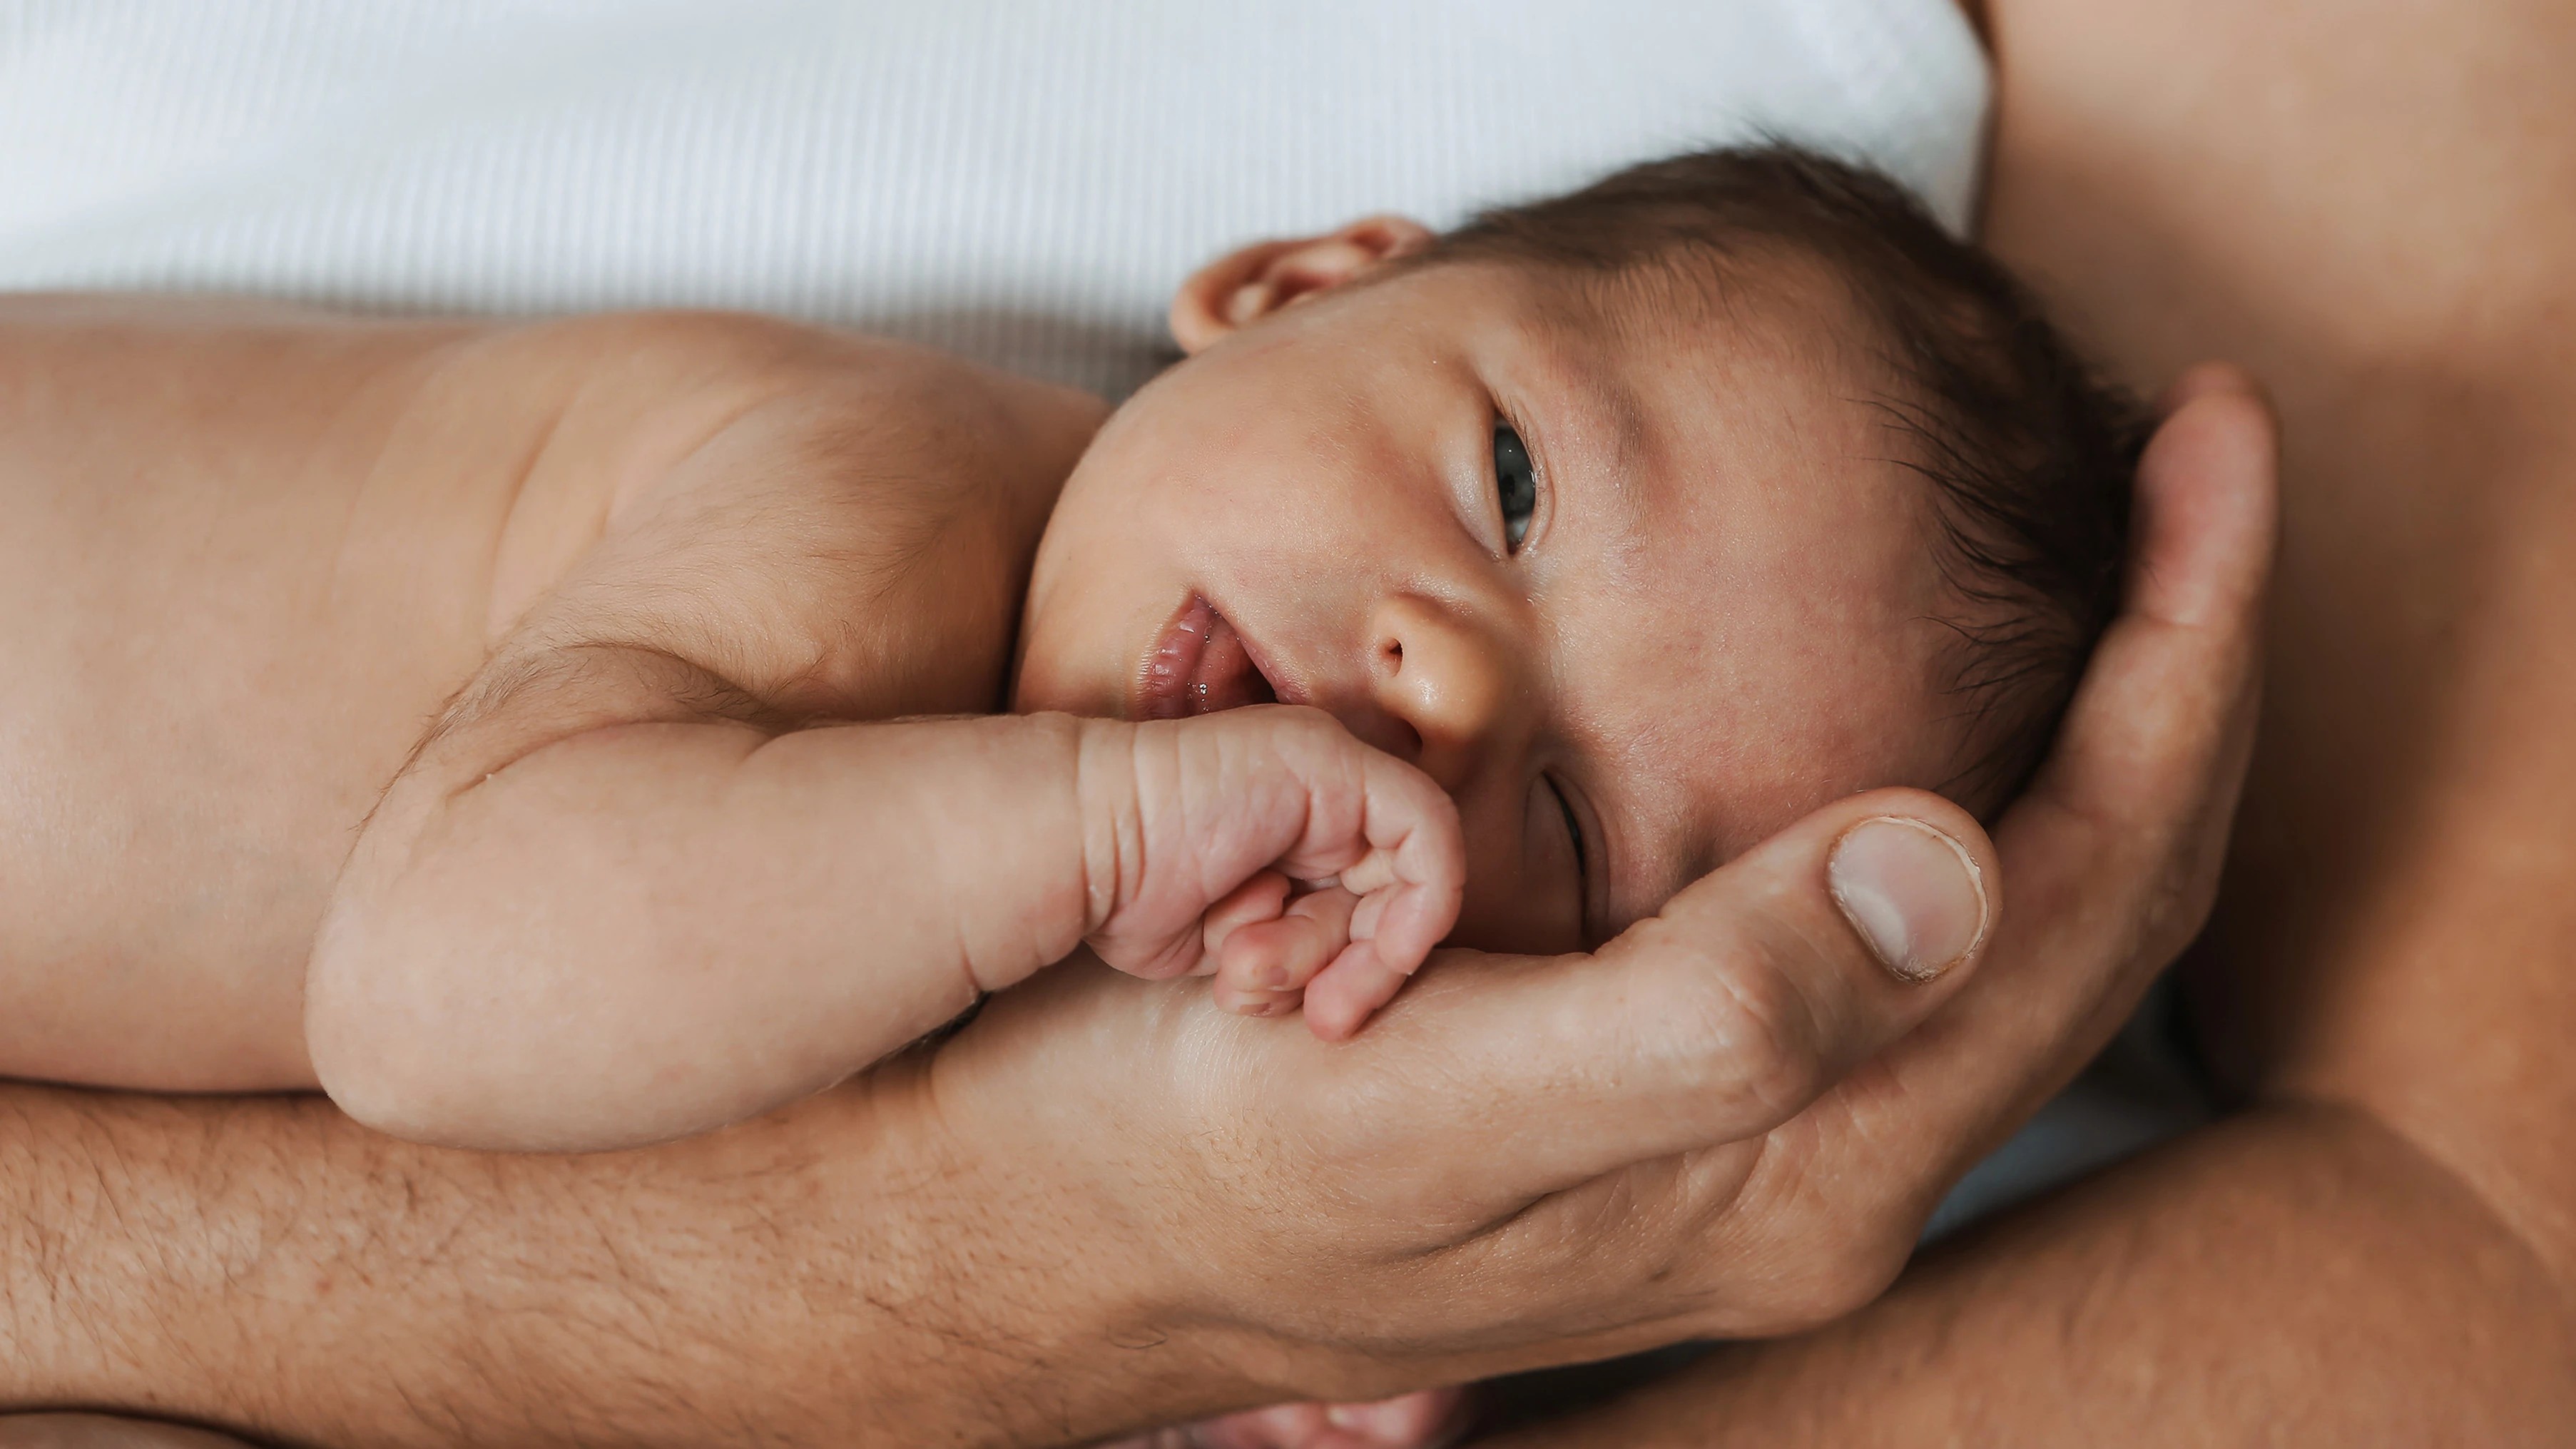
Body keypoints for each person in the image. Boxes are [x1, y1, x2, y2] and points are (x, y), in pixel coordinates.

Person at [9, 1, 2568, 1446]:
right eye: (1514, 479)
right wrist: (1101, 830)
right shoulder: (874, 494)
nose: (1439, 683)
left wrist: (1363, 1344)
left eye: (1571, 819)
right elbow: (435, 999)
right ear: (1287, 282)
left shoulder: (989, 894)